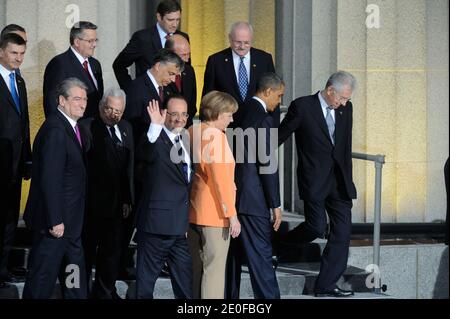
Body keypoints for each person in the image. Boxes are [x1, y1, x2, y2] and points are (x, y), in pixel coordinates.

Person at [278, 71, 357, 297]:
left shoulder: (346, 108)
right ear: (330, 90)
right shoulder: (302, 107)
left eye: (347, 99)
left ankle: (326, 285)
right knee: (315, 226)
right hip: (314, 179)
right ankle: (279, 246)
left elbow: (343, 144)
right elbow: (280, 136)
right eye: (341, 98)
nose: (344, 103)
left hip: (340, 181)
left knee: (342, 232)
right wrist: (253, 154)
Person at [22, 78, 89, 299]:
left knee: (75, 277)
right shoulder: (56, 130)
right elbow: (50, 179)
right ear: (62, 100)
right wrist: (55, 220)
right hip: (55, 227)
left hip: (72, 227)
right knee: (42, 280)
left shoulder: (72, 128)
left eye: (85, 99)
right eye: (77, 98)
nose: (83, 104)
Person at [226, 73, 284, 299]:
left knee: (232, 260)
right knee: (261, 258)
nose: (279, 102)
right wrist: (275, 203)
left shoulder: (238, 112)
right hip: (253, 200)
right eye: (279, 96)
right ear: (267, 91)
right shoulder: (263, 118)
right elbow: (267, 164)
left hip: (234, 196)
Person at [134, 95, 193, 299]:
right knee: (145, 285)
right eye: (174, 114)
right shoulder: (153, 138)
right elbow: (144, 154)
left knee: (185, 285)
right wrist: (154, 127)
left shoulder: (185, 139)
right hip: (155, 227)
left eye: (183, 114)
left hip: (179, 227)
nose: (179, 119)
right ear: (164, 114)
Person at [80, 88, 134, 299]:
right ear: (101, 107)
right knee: (85, 253)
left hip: (117, 205)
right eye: (110, 109)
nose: (113, 114)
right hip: (91, 205)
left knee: (111, 255)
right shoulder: (86, 128)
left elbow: (128, 168)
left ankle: (104, 293)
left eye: (118, 111)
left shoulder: (127, 128)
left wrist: (128, 198)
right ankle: (81, 293)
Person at [187, 91, 240, 299]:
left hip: (193, 210)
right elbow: (222, 181)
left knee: (197, 269)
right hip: (216, 214)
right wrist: (232, 215)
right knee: (214, 272)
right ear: (218, 113)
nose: (232, 119)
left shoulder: (192, 130)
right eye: (229, 115)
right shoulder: (217, 137)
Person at [0, 33, 32, 288]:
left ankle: (3, 270)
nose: (19, 58)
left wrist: (27, 160)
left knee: (10, 221)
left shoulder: (18, 80)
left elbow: (24, 123)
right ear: (1, 52)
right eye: (14, 53)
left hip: (14, 165)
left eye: (22, 54)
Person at [202, 21, 278, 127]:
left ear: (252, 39)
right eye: (238, 42)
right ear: (229, 38)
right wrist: (206, 127)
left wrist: (274, 128)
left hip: (258, 126)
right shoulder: (216, 61)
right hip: (226, 126)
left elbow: (273, 93)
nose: (242, 46)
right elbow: (208, 98)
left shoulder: (264, 59)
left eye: (247, 42)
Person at [113, 0, 189, 90]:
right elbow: (119, 65)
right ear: (159, 17)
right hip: (149, 97)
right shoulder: (142, 38)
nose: (175, 24)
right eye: (170, 20)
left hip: (176, 99)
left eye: (178, 19)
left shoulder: (183, 37)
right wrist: (131, 89)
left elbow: (186, 69)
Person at [43, 21, 103, 118]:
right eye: (90, 41)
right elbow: (51, 103)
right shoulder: (59, 64)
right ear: (77, 42)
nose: (94, 44)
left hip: (93, 129)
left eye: (96, 40)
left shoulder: (95, 64)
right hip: (72, 129)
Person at [124, 48, 184, 146]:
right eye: (171, 74)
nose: (173, 80)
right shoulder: (136, 89)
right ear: (158, 66)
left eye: (175, 76)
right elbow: (131, 128)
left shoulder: (170, 88)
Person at [165, 34, 197, 127]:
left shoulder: (189, 70)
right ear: (170, 54)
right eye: (183, 55)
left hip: (185, 128)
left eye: (189, 54)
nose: (187, 59)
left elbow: (192, 103)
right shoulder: (161, 74)